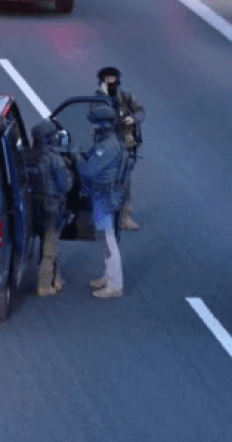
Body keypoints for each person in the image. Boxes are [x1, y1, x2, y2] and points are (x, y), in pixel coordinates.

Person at [76, 105, 125, 299]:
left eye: (94, 124)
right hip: (101, 195)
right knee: (104, 238)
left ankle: (115, 284)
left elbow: (88, 170)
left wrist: (78, 160)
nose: (92, 128)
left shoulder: (108, 147)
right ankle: (107, 276)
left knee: (108, 239)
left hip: (105, 196)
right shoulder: (104, 143)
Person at [27, 119, 74, 297]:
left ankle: (57, 279)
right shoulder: (55, 159)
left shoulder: (28, 155)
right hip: (52, 209)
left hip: (32, 208)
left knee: (46, 246)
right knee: (49, 251)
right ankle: (44, 285)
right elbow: (65, 186)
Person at [95, 66, 145, 231]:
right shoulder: (97, 98)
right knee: (101, 180)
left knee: (124, 181)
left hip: (124, 144)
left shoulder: (125, 95)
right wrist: (102, 96)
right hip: (105, 145)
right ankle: (102, 216)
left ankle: (125, 217)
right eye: (107, 78)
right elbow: (91, 115)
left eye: (112, 77)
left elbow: (140, 111)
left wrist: (133, 118)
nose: (110, 81)